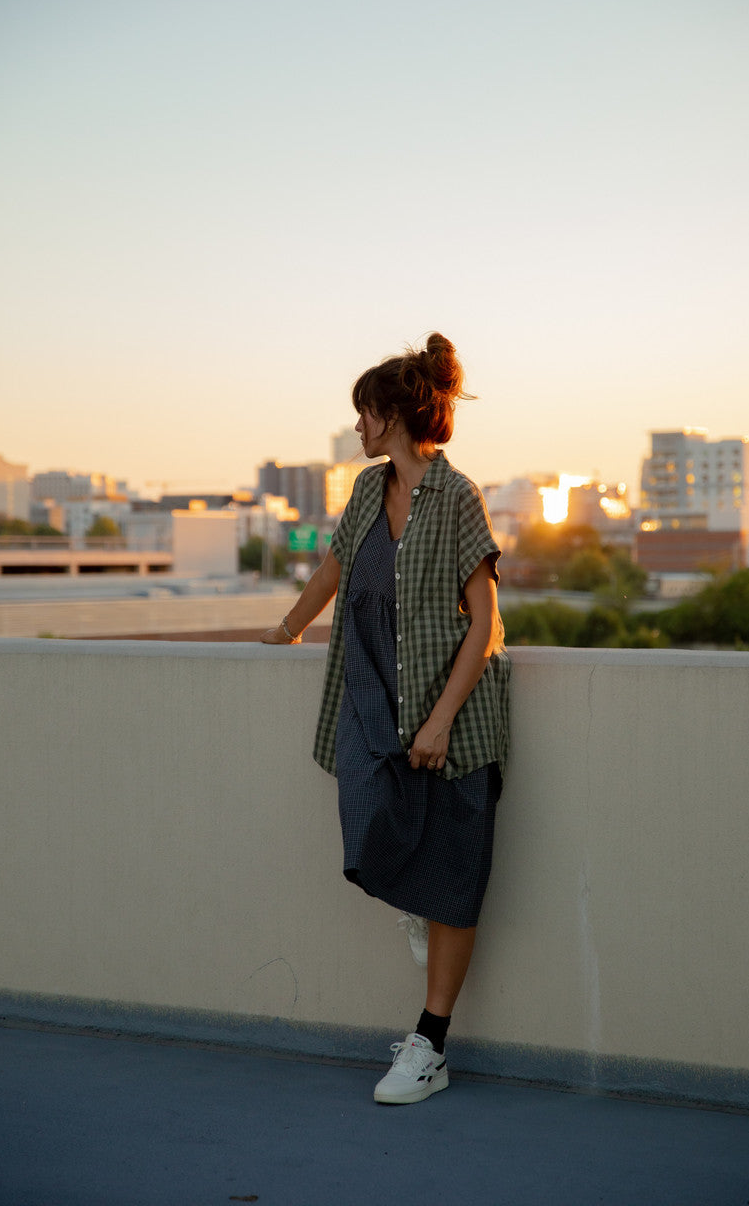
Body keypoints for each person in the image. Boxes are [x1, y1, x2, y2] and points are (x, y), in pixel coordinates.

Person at [261, 332, 510, 1104]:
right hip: (375, 701)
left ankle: (429, 1047)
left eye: (365, 413)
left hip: (455, 720)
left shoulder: (457, 495)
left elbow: (485, 622)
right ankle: (412, 896)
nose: (358, 427)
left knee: (456, 883)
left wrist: (438, 723)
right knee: (367, 814)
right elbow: (336, 562)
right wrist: (290, 625)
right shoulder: (368, 490)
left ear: (395, 414)